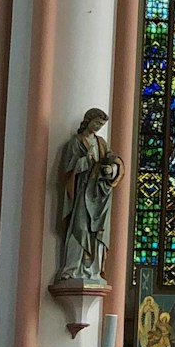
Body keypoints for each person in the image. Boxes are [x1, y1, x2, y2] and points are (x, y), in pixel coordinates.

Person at [55, 108, 122, 283]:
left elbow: (113, 160)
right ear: (88, 120)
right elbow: (68, 169)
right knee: (80, 228)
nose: (98, 127)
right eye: (97, 123)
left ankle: (93, 270)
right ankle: (73, 268)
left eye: (101, 125)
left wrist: (111, 169)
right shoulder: (75, 142)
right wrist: (86, 161)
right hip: (82, 193)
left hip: (99, 195)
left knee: (97, 232)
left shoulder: (101, 143)